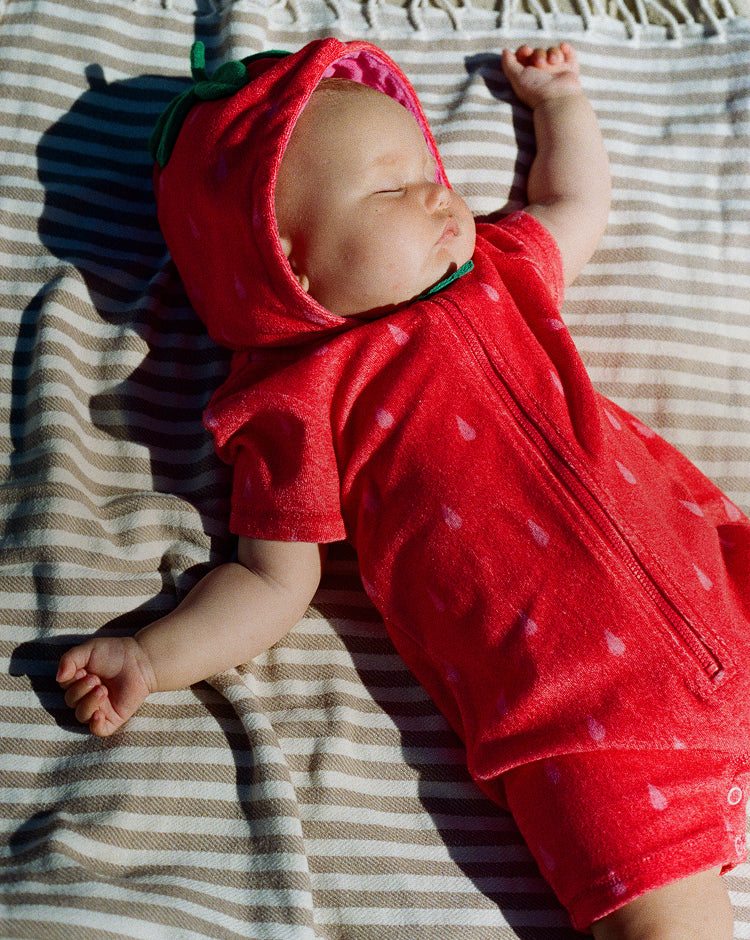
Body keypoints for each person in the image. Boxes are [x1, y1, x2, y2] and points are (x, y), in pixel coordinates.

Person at [57, 37, 749, 938]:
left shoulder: (500, 271)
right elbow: (274, 582)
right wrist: (154, 657)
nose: (439, 193)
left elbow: (570, 202)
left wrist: (559, 104)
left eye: (428, 166)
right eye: (391, 189)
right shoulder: (300, 405)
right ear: (288, 266)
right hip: (579, 723)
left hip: (722, 576)